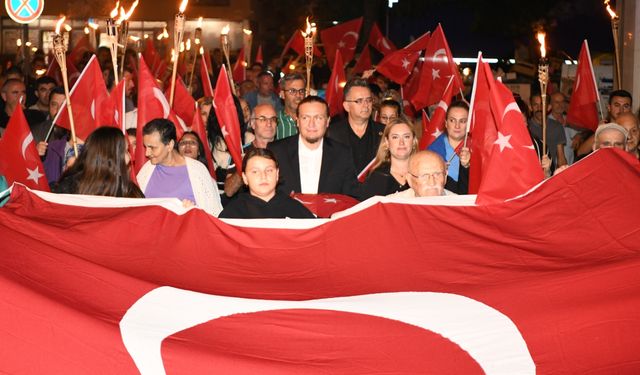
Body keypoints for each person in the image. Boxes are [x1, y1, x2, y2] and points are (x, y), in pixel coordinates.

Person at [268, 96, 361, 198]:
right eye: (305, 118)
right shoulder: (277, 151)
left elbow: (351, 197)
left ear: (328, 121)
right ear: (297, 121)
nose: (311, 124)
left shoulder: (342, 154)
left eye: (318, 118)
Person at [137, 118, 223, 216]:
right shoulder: (146, 169)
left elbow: (214, 215)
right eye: (146, 147)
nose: (147, 153)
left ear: (170, 145)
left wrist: (194, 213)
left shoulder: (198, 170)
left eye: (152, 148)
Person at [219, 148, 315, 219]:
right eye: (255, 172)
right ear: (245, 178)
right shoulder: (232, 214)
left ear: (277, 174)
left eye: (269, 170)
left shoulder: (296, 209)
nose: (263, 176)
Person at [53, 127, 143, 198]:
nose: (130, 157)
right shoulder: (68, 190)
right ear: (109, 156)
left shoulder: (130, 192)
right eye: (126, 151)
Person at [327, 78, 385, 173]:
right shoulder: (331, 134)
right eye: (359, 101)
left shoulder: (384, 132)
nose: (366, 105)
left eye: (368, 100)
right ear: (346, 106)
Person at [224, 103, 277, 198]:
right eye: (263, 119)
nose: (269, 124)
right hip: (249, 208)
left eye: (273, 119)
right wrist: (243, 165)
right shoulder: (241, 153)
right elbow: (229, 191)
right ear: (252, 124)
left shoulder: (286, 149)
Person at [361, 119, 417, 199]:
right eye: (395, 137)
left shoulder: (425, 174)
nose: (401, 142)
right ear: (387, 142)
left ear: (414, 141)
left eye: (406, 137)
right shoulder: (376, 177)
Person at [427, 100, 470, 194]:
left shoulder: (478, 149)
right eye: (452, 120)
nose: (457, 126)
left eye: (462, 121)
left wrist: (467, 166)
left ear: (469, 124)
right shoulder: (432, 152)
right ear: (446, 123)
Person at [528, 94, 567, 171]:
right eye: (536, 105)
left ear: (548, 107)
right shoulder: (526, 127)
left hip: (549, 174)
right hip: (530, 173)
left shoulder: (557, 127)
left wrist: (564, 174)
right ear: (530, 107)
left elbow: (561, 157)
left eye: (542, 104)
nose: (539, 108)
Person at [389, 150, 454, 198]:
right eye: (424, 176)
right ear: (409, 180)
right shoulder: (391, 206)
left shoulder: (459, 206)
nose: (432, 183)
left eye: (437, 174)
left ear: (445, 176)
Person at [276, 73, 306, 140]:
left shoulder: (311, 120)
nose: (298, 95)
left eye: (301, 91)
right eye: (292, 91)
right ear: (282, 94)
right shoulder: (274, 121)